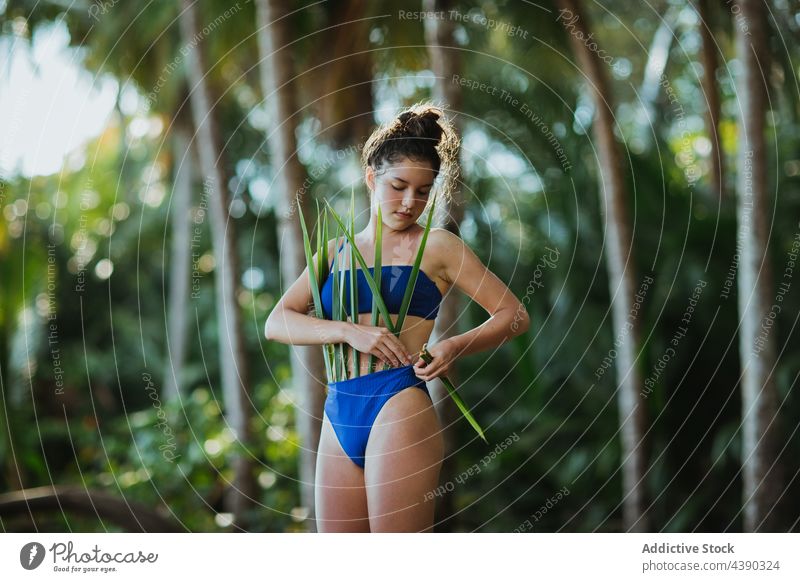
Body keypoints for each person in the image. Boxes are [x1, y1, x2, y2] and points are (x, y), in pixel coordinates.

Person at [264, 102, 530, 532]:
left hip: (399, 402)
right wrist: (349, 332)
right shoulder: (334, 253)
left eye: (423, 191)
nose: (410, 202)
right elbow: (277, 322)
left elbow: (514, 315)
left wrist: (453, 346)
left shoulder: (440, 246)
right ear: (371, 178)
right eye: (398, 185)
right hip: (340, 409)